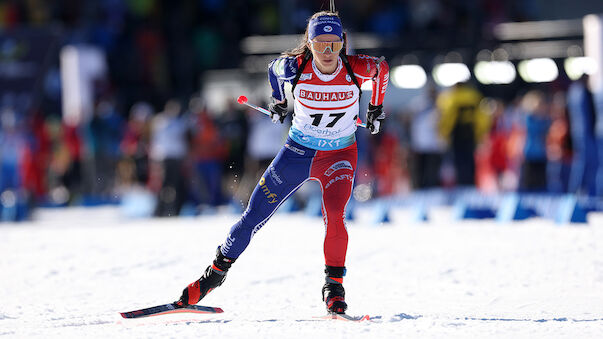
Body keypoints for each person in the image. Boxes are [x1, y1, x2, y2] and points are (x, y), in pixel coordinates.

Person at [176, 11, 389, 314]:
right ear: (309, 43)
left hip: (339, 156)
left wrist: (376, 109)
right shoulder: (294, 66)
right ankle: (214, 275)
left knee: (336, 215)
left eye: (334, 46)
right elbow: (273, 71)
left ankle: (334, 287)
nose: (327, 53)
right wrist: (279, 102)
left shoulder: (356, 68)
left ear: (343, 43)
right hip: (297, 154)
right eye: (319, 45)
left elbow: (382, 70)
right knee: (254, 215)